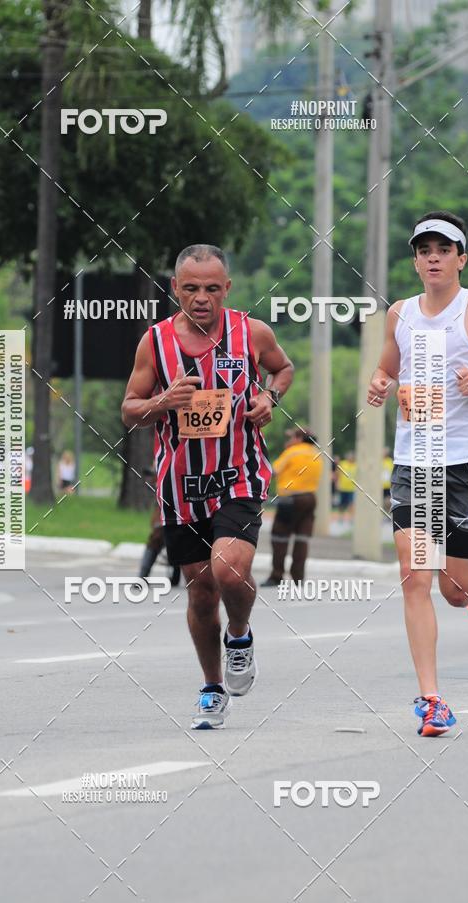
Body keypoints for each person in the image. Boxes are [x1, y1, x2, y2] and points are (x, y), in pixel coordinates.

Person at [122, 244, 294, 729]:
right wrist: (162, 402)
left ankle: (239, 636)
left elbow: (284, 369)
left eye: (212, 289)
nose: (201, 298)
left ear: (227, 289)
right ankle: (212, 687)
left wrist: (269, 397)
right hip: (181, 487)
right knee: (200, 592)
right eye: (191, 288)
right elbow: (129, 409)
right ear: (176, 288)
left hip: (238, 475)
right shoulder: (154, 343)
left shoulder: (251, 333)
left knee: (230, 570)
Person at [368, 210, 468, 737]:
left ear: (461, 258)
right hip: (415, 458)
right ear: (415, 260)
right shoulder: (400, 314)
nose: (433, 257)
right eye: (423, 249)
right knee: (415, 578)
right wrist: (380, 382)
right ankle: (431, 699)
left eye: (443, 248)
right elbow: (388, 365)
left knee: (453, 587)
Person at [262, 425, 322, 585]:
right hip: (310, 498)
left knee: (279, 536)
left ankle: (276, 575)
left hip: (290, 498)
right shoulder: (317, 454)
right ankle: (298, 577)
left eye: (291, 438)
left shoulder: (292, 452)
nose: (289, 441)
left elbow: (272, 471)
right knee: (302, 538)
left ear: (299, 439)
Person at [336, 451, 356, 522]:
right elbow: (337, 474)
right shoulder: (343, 463)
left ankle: (351, 518)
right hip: (343, 487)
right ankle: (340, 517)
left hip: (352, 488)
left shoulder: (355, 465)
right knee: (342, 504)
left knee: (351, 504)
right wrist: (337, 483)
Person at [382, 446, 394, 512]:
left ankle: (387, 513)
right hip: (379, 485)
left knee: (388, 501)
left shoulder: (389, 461)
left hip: (387, 485)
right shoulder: (378, 460)